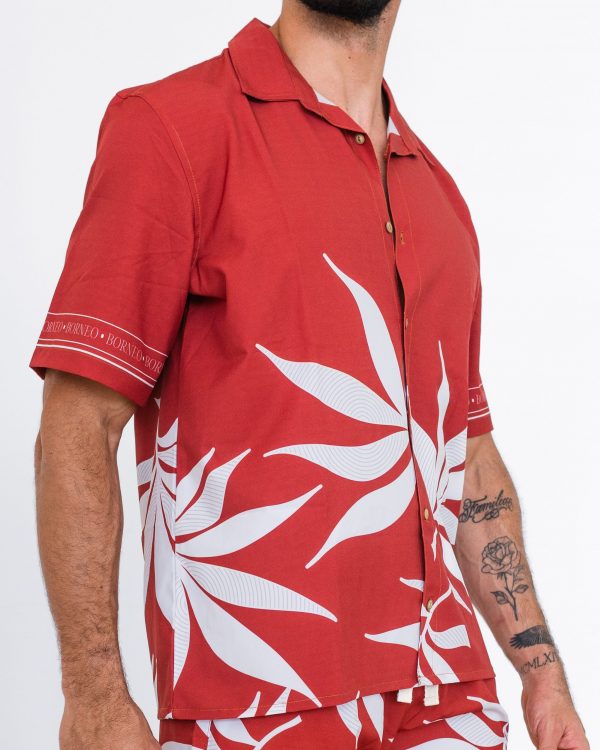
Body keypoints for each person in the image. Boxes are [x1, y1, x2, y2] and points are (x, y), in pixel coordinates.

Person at [29, 1, 589, 749]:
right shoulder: (171, 128)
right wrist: (95, 697)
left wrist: (542, 676)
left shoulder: (438, 194)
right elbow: (79, 423)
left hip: (448, 695)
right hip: (256, 696)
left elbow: (469, 458)